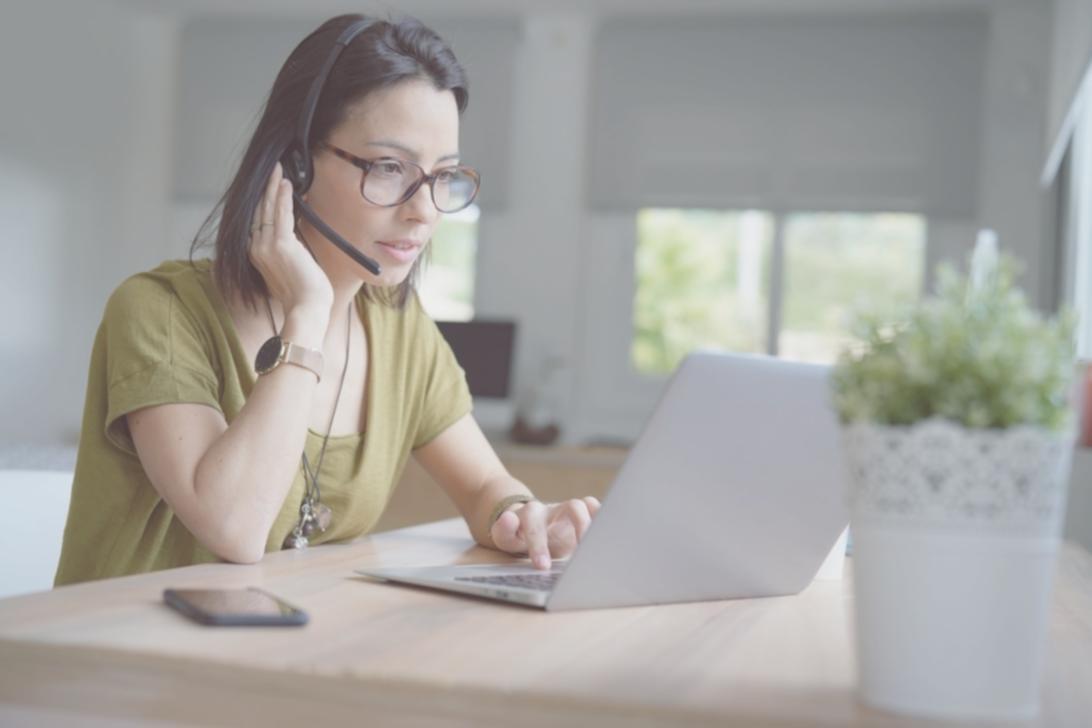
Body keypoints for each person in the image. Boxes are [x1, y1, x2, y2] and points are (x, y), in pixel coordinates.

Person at [54, 14, 600, 586]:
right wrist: (308, 312)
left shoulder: (398, 329)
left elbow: (486, 487)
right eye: (390, 168)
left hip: (272, 658)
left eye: (443, 176)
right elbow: (235, 526)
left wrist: (524, 517)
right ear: (295, 164)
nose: (424, 210)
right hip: (117, 663)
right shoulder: (157, 312)